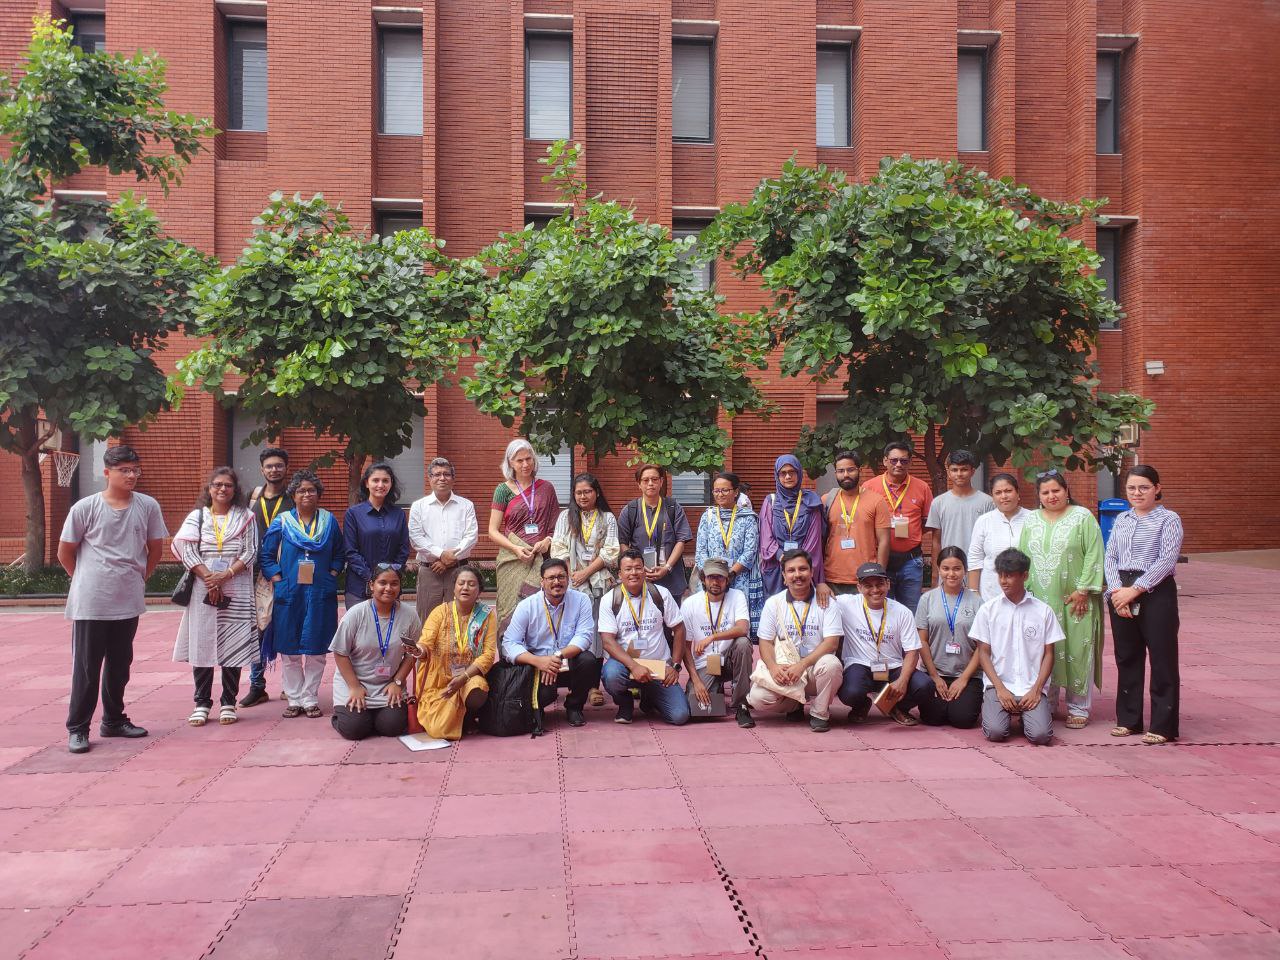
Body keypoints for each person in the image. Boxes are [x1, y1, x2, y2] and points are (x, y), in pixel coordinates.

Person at [58, 445, 167, 754]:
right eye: (125, 471)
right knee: (87, 668)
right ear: (107, 473)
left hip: (127, 598)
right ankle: (78, 728)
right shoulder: (85, 507)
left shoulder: (147, 506)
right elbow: (65, 551)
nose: (132, 475)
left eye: (135, 470)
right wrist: (84, 580)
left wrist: (138, 578)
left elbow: (155, 549)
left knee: (120, 665)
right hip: (91, 601)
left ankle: (114, 721)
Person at [171, 467, 259, 727]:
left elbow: (251, 551)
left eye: (228, 485)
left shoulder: (246, 517)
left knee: (233, 643)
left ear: (235, 490)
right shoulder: (197, 517)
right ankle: (201, 702)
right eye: (217, 485)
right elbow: (185, 549)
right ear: (209, 489)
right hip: (203, 586)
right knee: (203, 642)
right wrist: (209, 577)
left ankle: (229, 701)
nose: (222, 489)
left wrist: (226, 575)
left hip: (237, 586)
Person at [1105, 465, 1184, 745]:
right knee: (1127, 657)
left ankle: (1163, 725)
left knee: (1162, 657)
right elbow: (1110, 556)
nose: (1137, 493)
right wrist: (1117, 592)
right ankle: (1129, 720)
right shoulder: (1122, 519)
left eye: (1143, 488)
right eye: (1131, 488)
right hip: (1121, 588)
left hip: (1155, 590)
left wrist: (1134, 591)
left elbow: (1166, 560)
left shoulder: (1169, 519)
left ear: (1157, 488)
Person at [1019, 470, 1104, 729]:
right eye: (1045, 492)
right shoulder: (1031, 520)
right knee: (1045, 651)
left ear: (1067, 491)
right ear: (1039, 496)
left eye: (1056, 490)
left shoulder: (1082, 517)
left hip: (1075, 599)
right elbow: (1023, 557)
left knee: (1078, 649)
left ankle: (1079, 706)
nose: (1051, 496)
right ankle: (1049, 701)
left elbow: (1094, 552)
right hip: (1041, 601)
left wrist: (1084, 589)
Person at [260, 470, 345, 718]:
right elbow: (266, 554)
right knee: (290, 649)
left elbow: (339, 553)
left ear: (318, 494)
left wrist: (331, 573)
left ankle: (310, 698)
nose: (306, 494)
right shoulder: (283, 521)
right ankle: (294, 698)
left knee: (317, 648)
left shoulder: (329, 522)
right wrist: (278, 578)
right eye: (301, 490)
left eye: (311, 490)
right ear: (293, 495)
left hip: (320, 591)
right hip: (290, 592)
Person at [973, 548, 1064, 745]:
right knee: (995, 733)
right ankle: (1000, 708)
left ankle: (1027, 716)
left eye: (1010, 575)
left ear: (1025, 576)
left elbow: (1049, 655)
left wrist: (1037, 689)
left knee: (1041, 737)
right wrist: (999, 688)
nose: (1003, 581)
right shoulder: (988, 610)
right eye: (1000, 575)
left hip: (1030, 686)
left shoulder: (1043, 611)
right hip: (998, 685)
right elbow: (983, 653)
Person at [746, 549, 844, 732]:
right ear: (783, 575)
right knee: (759, 698)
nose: (797, 575)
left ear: (812, 572)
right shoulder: (773, 603)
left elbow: (832, 643)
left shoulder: (826, 602)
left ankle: (819, 712)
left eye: (802, 569)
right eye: (791, 571)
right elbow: (765, 642)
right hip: (786, 671)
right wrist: (774, 668)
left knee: (832, 664)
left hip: (815, 669)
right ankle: (794, 704)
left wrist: (803, 665)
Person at [500, 557, 600, 727]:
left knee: (589, 660)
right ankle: (538, 707)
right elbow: (509, 643)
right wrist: (538, 661)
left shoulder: (581, 600)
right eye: (551, 578)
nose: (557, 582)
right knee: (546, 696)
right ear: (542, 581)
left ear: (568, 579)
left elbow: (584, 636)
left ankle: (574, 707)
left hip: (566, 660)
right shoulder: (527, 605)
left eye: (561, 577)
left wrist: (557, 656)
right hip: (538, 665)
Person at [835, 561, 934, 726]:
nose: (875, 590)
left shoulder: (903, 612)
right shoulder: (845, 604)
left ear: (888, 584)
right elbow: (817, 594)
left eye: (879, 584)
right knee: (850, 692)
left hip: (893, 667)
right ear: (859, 588)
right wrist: (823, 586)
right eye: (868, 585)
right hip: (859, 665)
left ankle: (897, 707)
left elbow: (912, 651)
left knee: (925, 686)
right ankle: (861, 705)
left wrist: (902, 680)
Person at [330, 565, 420, 740]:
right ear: (371, 585)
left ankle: (373, 717)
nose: (388, 588)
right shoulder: (355, 614)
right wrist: (354, 686)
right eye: (382, 583)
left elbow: (412, 654)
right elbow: (340, 652)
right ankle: (345, 715)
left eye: (394, 583)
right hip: (354, 682)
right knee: (354, 729)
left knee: (393, 727)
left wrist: (398, 682)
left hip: (388, 684)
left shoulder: (410, 615)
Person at [599, 549, 688, 725]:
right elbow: (608, 642)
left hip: (659, 666)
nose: (634, 573)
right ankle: (625, 703)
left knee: (680, 716)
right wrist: (634, 666)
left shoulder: (660, 594)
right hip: (625, 665)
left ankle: (650, 696)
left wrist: (675, 666)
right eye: (628, 569)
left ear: (644, 570)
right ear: (620, 574)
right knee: (611, 674)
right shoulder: (610, 599)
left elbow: (679, 629)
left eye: (638, 568)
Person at [412, 564, 498, 740]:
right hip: (439, 680)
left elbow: (488, 655)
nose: (465, 587)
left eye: (471, 584)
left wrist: (464, 677)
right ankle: (455, 716)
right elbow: (425, 642)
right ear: (454, 588)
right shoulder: (440, 612)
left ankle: (468, 716)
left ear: (479, 591)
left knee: (478, 688)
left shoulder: (487, 615)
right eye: (461, 583)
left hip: (468, 677)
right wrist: (418, 650)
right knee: (438, 730)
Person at [489, 439, 560, 626]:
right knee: (509, 609)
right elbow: (492, 531)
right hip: (512, 558)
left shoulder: (547, 488)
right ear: (510, 463)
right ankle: (508, 653)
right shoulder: (502, 490)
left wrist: (548, 540)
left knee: (539, 611)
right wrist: (515, 549)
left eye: (529, 459)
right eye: (519, 460)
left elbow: (556, 526)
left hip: (541, 558)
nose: (525, 464)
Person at [242, 446, 292, 707]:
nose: (274, 470)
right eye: (269, 466)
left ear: (286, 468)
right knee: (256, 629)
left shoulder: (295, 497)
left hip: (283, 572)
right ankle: (257, 685)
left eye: (279, 465)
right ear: (262, 469)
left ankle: (289, 685)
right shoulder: (251, 497)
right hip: (254, 573)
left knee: (285, 626)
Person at [914, 547, 984, 728]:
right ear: (938, 569)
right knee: (933, 719)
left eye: (957, 568)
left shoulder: (977, 601)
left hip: (967, 674)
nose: (951, 574)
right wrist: (934, 677)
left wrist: (964, 679)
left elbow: (982, 646)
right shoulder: (927, 599)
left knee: (963, 720)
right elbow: (922, 641)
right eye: (946, 568)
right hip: (935, 673)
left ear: (965, 570)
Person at [681, 558, 754, 727]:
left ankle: (741, 705)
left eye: (720, 577)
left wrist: (712, 637)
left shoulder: (737, 596)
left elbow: (743, 628)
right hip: (705, 664)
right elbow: (685, 647)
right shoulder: (690, 603)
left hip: (730, 660)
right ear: (703, 579)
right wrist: (696, 681)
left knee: (743, 643)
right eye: (711, 577)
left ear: (727, 579)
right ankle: (714, 686)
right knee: (695, 710)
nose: (715, 582)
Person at [861, 441, 933, 613]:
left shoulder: (922, 487)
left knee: (911, 611)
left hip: (910, 560)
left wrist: (912, 534)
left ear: (910, 463)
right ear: (885, 461)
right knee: (882, 610)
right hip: (879, 560)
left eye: (904, 461)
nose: (899, 464)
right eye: (894, 460)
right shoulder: (870, 487)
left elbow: (926, 522)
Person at [693, 472, 765, 636]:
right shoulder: (708, 516)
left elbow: (750, 551)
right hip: (711, 579)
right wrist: (712, 574)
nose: (720, 494)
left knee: (735, 622)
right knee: (709, 621)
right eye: (716, 491)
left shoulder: (748, 518)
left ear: (736, 491)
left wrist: (730, 573)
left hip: (738, 579)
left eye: (725, 490)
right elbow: (701, 551)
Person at [408, 457, 478, 623]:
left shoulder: (466, 505)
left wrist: (447, 561)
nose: (442, 478)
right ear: (430, 478)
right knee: (427, 620)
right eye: (437, 474)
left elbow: (471, 536)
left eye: (447, 474)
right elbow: (416, 538)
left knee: (460, 619)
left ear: (453, 479)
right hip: (429, 571)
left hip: (459, 571)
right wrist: (441, 554)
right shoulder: (419, 506)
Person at [819, 451, 891, 601]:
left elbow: (884, 541)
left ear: (860, 470)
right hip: (832, 578)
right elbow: (818, 540)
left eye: (850, 470)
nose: (845, 474)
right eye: (840, 471)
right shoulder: (826, 500)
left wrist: (878, 575)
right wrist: (819, 578)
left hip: (866, 578)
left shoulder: (876, 501)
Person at [617, 463, 693, 598]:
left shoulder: (673, 508)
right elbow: (623, 543)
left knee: (671, 618)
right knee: (641, 616)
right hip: (639, 579)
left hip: (671, 578)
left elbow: (681, 541)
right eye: (645, 480)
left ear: (661, 481)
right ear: (638, 484)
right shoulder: (630, 510)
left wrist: (667, 567)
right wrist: (638, 567)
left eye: (655, 479)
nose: (650, 484)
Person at [342, 460, 410, 611]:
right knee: (359, 633)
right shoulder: (353, 514)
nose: (381, 485)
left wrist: (389, 577)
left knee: (389, 632)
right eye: (375, 480)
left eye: (385, 480)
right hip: (359, 587)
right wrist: (372, 577)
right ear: (366, 483)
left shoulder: (398, 514)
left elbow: (403, 549)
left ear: (391, 484)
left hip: (389, 589)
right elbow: (350, 551)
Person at [759, 455, 826, 595]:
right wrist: (781, 557)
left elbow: (814, 541)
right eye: (783, 473)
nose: (788, 476)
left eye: (792, 472)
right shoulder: (770, 501)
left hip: (803, 569)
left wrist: (797, 563)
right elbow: (766, 538)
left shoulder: (811, 501)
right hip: (776, 568)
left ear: (799, 473)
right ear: (777, 476)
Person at [966, 472, 1033, 602]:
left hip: (1027, 591)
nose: (1004, 496)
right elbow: (975, 558)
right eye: (998, 492)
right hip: (991, 593)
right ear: (992, 496)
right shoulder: (984, 521)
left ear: (1018, 493)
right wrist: (974, 593)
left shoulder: (1033, 519)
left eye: (1008, 491)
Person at [925, 449, 994, 560]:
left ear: (972, 471)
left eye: (964, 469)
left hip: (978, 567)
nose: (959, 474)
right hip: (949, 569)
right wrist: (935, 574)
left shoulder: (988, 502)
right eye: (954, 470)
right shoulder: (938, 503)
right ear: (949, 472)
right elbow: (936, 541)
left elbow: (992, 539)